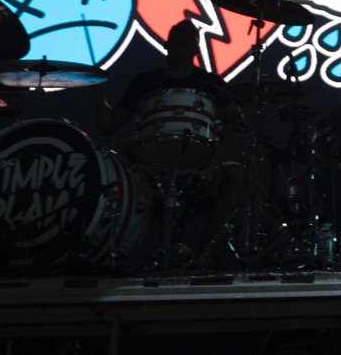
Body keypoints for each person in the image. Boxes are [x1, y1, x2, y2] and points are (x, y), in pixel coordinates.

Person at [94, 19, 245, 267]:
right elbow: (108, 126)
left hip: (198, 166)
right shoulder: (146, 82)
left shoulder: (210, 83)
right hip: (148, 165)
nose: (183, 39)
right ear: (166, 44)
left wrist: (221, 132)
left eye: (189, 36)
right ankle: (113, 250)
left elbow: (237, 120)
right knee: (111, 157)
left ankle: (204, 255)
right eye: (178, 35)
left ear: (197, 48)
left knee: (235, 174)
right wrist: (98, 93)